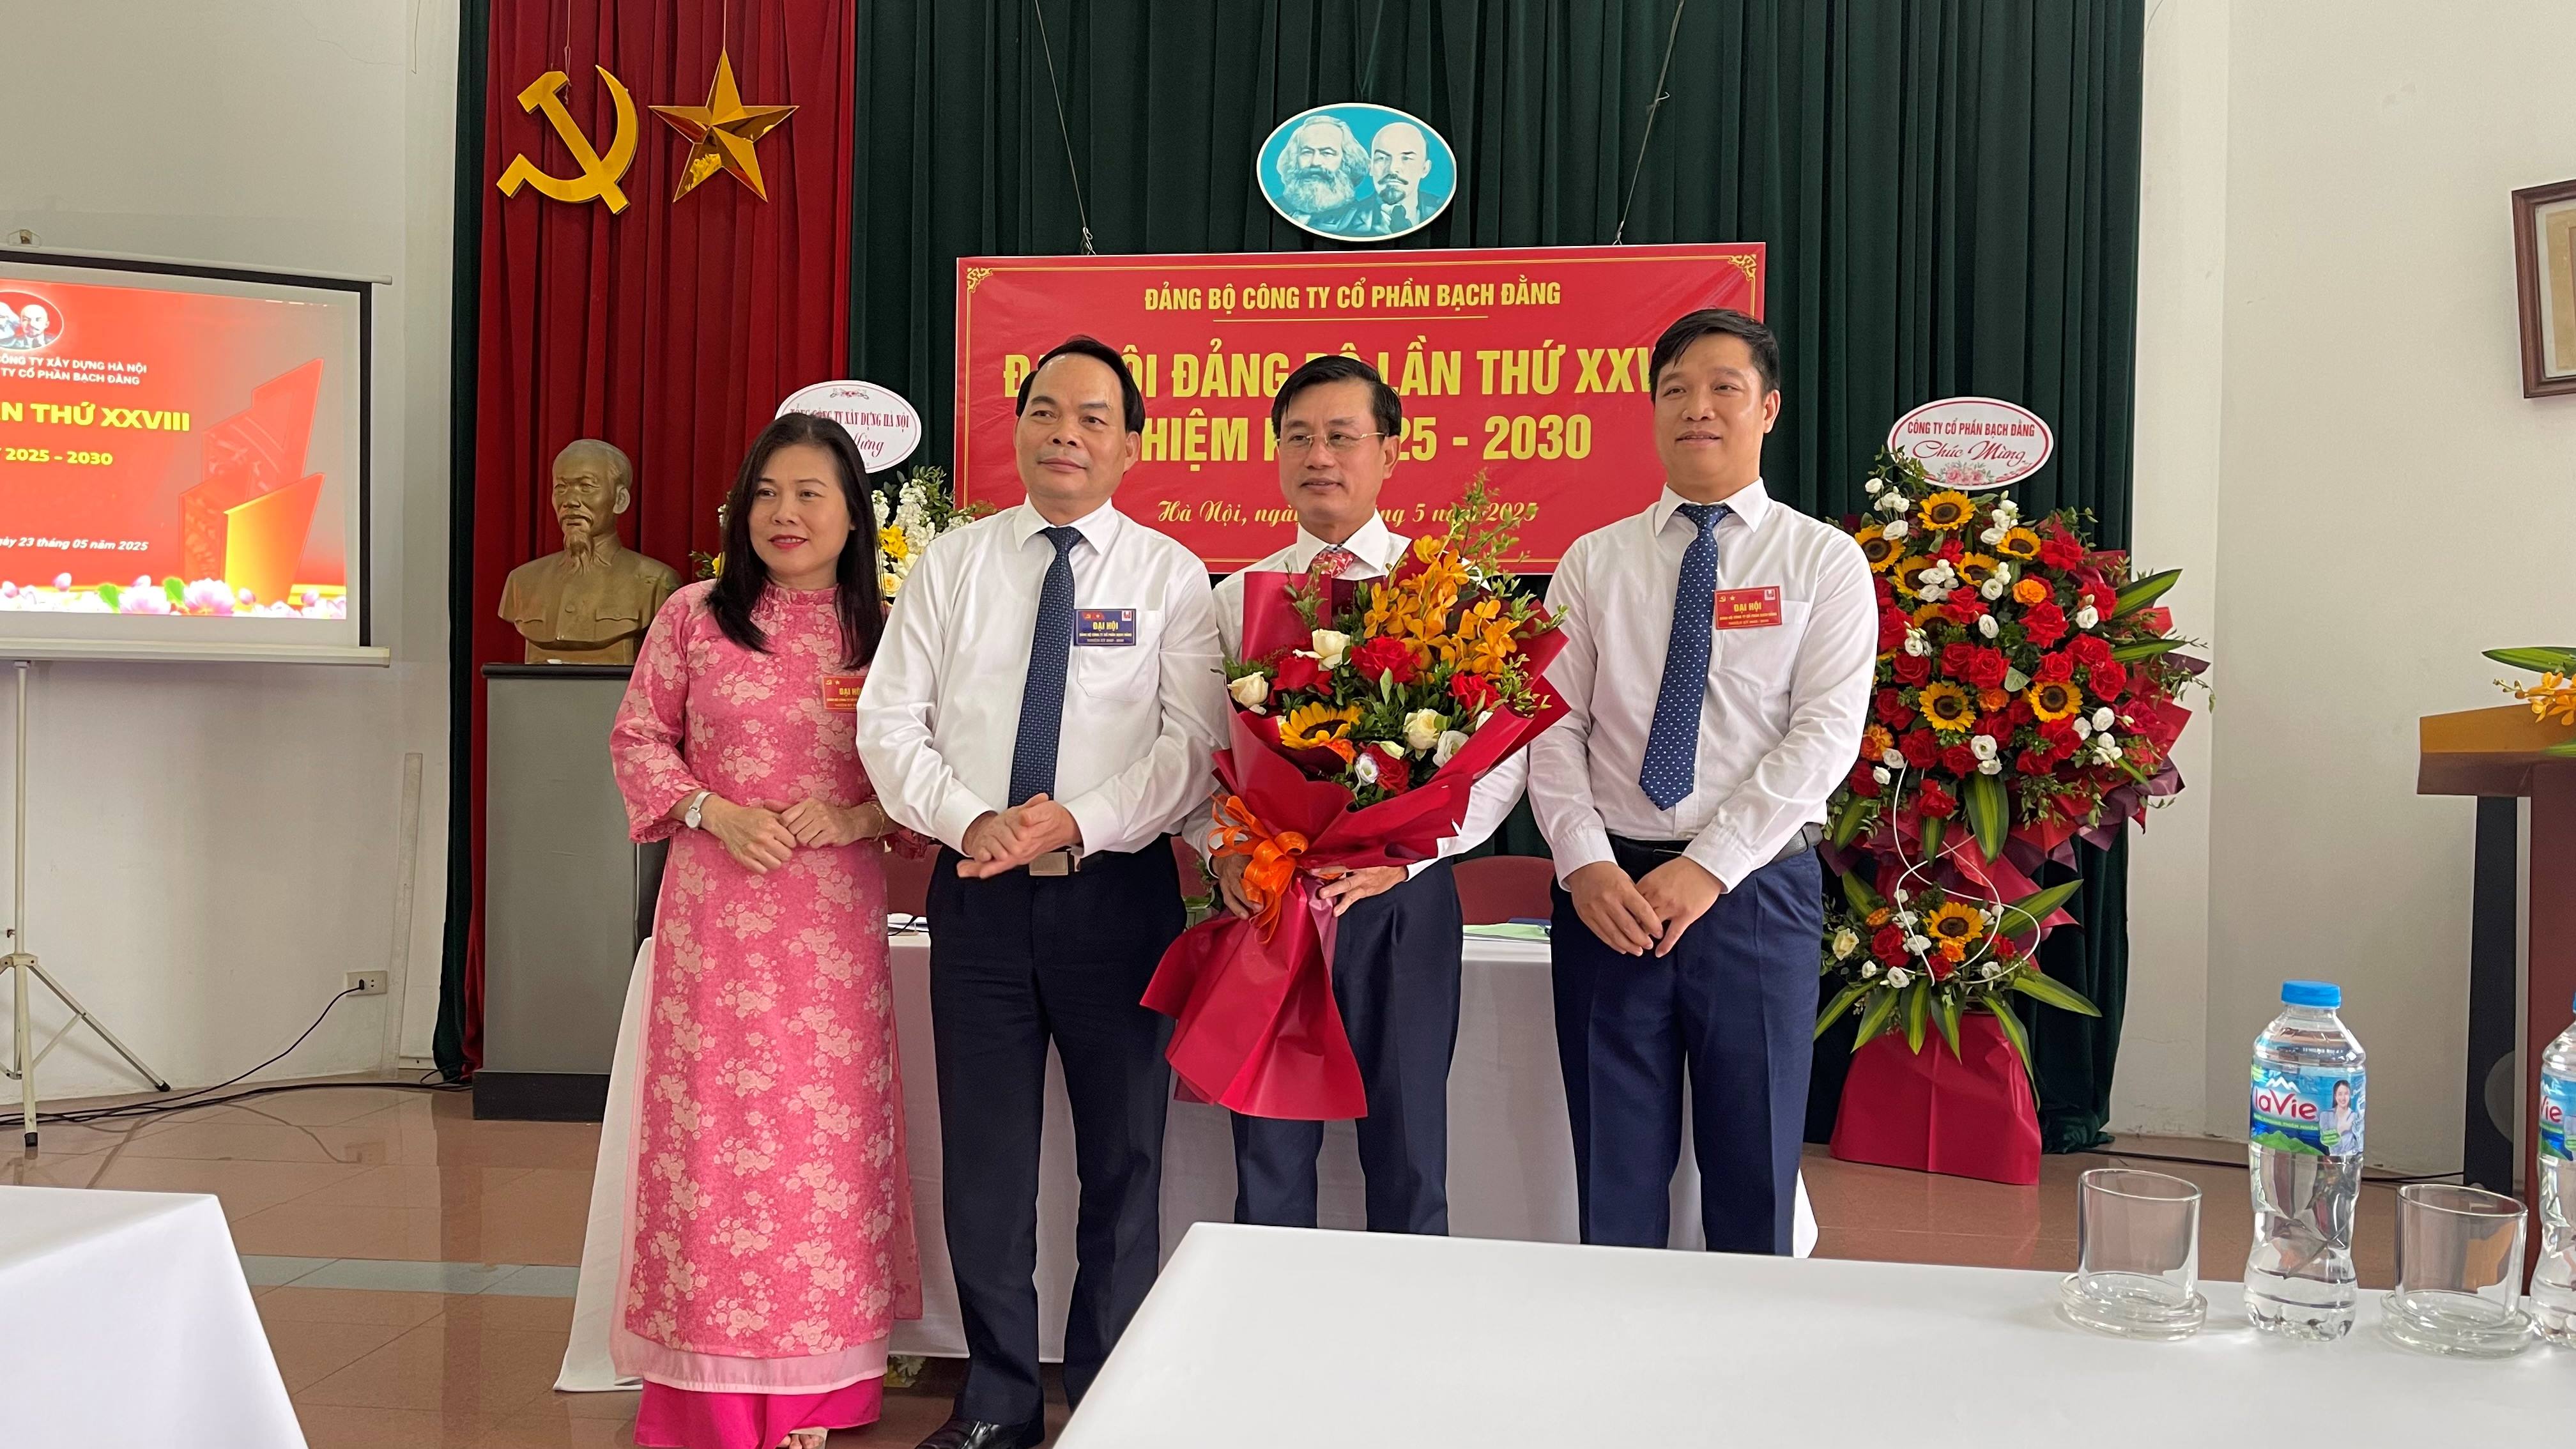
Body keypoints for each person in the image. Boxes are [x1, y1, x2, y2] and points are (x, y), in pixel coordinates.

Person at [855, 336, 1227, 1449]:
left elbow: (1191, 748)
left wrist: (1075, 819)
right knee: (985, 1162)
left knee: (1124, 1158)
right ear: (1016, 427)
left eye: (1094, 417)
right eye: (1047, 411)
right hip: (977, 897)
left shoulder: (1170, 576)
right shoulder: (953, 565)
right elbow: (889, 721)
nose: (1067, 433)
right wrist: (973, 818)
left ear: (1131, 445)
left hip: (1116, 899)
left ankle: (1109, 1392)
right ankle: (999, 1400)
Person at [1528, 309, 1874, 1255]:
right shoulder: (1594, 561)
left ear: (1768, 409)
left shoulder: (1822, 561)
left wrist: (1710, 866)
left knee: (1754, 1169)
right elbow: (1549, 725)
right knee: (1614, 1174)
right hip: (1608, 897)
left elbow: (1825, 734)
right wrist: (1584, 863)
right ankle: (1622, 1342)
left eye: (1725, 387)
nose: (1699, 408)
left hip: (1754, 894)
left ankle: (1747, 1347)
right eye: (1676, 389)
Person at [606, 412, 923, 1449]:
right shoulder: (695, 617)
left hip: (830, 932)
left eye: (810, 494)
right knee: (712, 1144)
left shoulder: (890, 632)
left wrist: (859, 817)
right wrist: (712, 810)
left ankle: (818, 1391)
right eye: (768, 493)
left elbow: (932, 772)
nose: (786, 514)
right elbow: (639, 738)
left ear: (854, 515)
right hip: (715, 920)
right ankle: (704, 1388)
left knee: (822, 1146)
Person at [1198, 355, 1524, 1234]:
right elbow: (1198, 748)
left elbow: (1502, 764)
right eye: (1299, 437)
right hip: (1276, 897)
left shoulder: (1449, 591)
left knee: (1410, 1149)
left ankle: (1408, 1324)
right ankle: (1271, 1317)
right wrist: (1225, 852)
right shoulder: (1233, 600)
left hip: (1402, 901)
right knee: (1268, 1155)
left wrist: (1411, 857)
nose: (1320, 456)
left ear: (1391, 452)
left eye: (1342, 436)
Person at [1272, 114, 1375, 235]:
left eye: (1327, 153)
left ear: (1347, 161)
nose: (1315, 162)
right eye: (1307, 152)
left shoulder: (1364, 221)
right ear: (1294, 158)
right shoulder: (1275, 209)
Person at [1362, 121, 1442, 236]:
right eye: (1382, 158)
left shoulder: (1445, 211)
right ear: (1370, 167)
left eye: (1406, 158)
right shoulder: (1346, 221)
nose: (1392, 169)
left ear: (1425, 169)